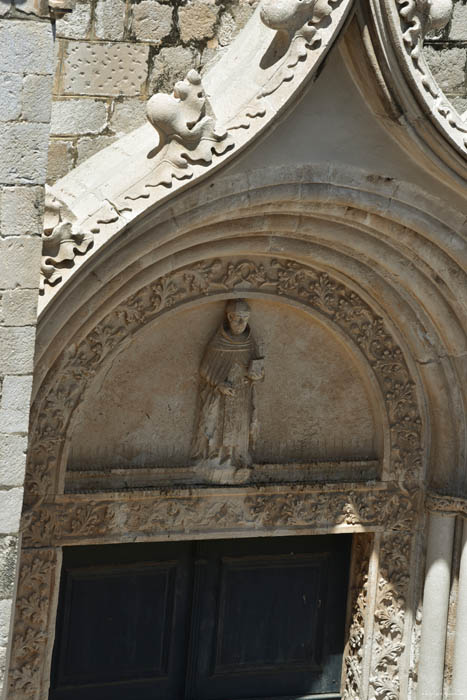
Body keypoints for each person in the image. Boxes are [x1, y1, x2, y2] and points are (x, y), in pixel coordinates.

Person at [192, 299, 264, 469]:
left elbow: (257, 367)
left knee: (240, 425)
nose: (241, 323)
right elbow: (205, 368)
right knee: (219, 423)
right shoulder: (218, 343)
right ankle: (217, 454)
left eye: (245, 318)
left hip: (242, 392)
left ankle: (238, 455)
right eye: (238, 318)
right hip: (223, 392)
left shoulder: (250, 342)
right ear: (229, 317)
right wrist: (218, 384)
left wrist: (256, 375)